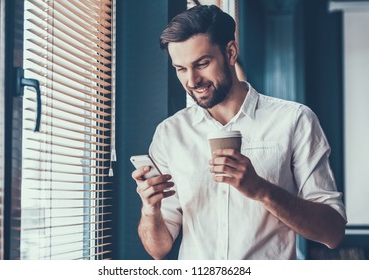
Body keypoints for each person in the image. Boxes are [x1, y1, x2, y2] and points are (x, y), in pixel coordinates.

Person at [132, 5, 347, 260]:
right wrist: (150, 209)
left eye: (202, 63)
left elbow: (332, 233)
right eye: (180, 69)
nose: (192, 80)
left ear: (231, 52)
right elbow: (158, 249)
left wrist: (261, 190)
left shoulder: (294, 120)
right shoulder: (170, 134)